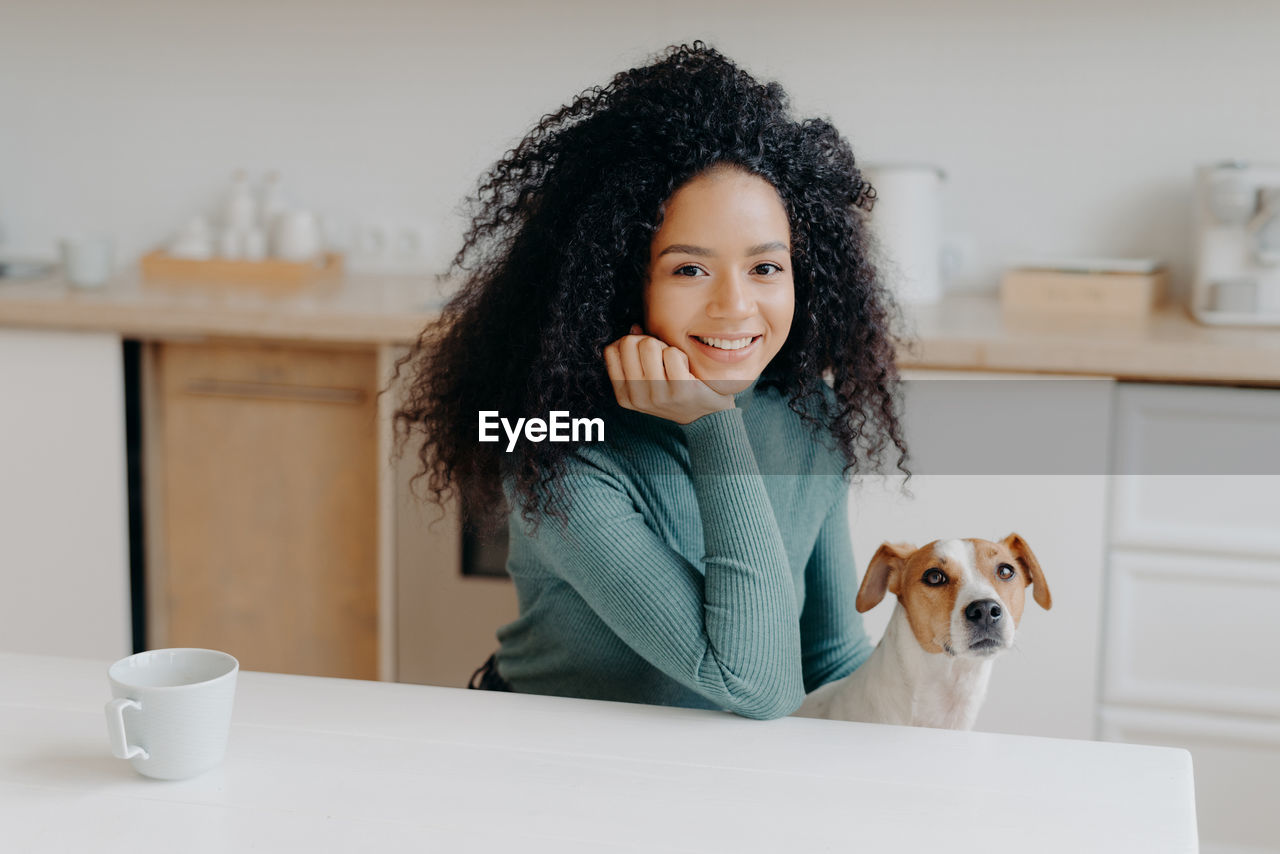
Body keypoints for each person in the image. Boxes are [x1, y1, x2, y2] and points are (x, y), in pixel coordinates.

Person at [392, 41, 909, 720]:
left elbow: (828, 660)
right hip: (554, 766)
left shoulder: (808, 412)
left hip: (721, 772)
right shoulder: (553, 448)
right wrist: (712, 424)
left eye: (765, 268)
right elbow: (756, 685)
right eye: (689, 269)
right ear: (619, 285)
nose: (735, 306)